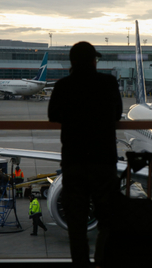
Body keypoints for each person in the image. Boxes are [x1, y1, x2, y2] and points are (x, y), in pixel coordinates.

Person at [48, 41, 122, 268]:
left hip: (75, 162)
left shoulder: (63, 86)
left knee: (76, 222)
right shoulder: (108, 83)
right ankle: (102, 260)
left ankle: (81, 264)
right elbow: (117, 114)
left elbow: (53, 116)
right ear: (92, 61)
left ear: (72, 62)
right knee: (108, 219)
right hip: (103, 161)